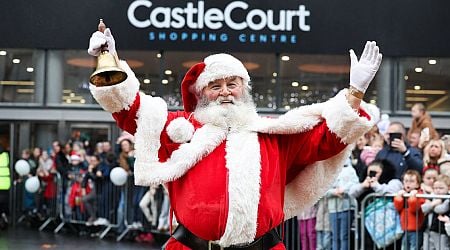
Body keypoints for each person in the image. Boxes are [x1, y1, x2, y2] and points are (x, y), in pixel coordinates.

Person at [88, 27, 382, 249]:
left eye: (233, 83)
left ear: (245, 88)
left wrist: (355, 92)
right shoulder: (180, 128)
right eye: (215, 85)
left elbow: (325, 140)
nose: (225, 91)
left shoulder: (272, 132)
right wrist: (109, 62)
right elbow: (132, 111)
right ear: (201, 94)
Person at [393, 170, 425, 250]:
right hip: (404, 228)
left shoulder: (420, 194)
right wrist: (399, 197)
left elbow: (414, 209)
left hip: (416, 229)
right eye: (406, 181)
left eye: (411, 181)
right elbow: (398, 207)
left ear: (417, 184)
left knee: (414, 248)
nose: (408, 184)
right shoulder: (403, 194)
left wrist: (412, 197)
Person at [421, 174, 450, 250]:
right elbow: (423, 208)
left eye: (441, 188)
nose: (438, 190)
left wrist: (431, 205)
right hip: (428, 229)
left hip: (441, 231)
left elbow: (441, 209)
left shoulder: (447, 199)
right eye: (435, 188)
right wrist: (434, 203)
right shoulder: (432, 197)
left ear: (448, 188)